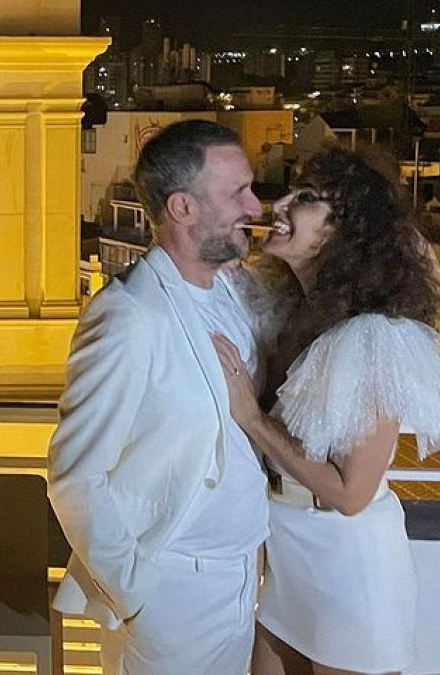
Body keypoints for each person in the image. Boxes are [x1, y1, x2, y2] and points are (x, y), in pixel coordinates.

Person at [212, 145, 440, 675]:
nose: (279, 204)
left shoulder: (370, 336)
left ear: (345, 231)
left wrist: (252, 418)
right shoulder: (293, 313)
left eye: (305, 199)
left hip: (348, 565)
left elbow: (352, 493)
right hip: (285, 552)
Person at [48, 119, 275, 674]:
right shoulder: (128, 316)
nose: (254, 204)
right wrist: (135, 593)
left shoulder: (231, 290)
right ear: (183, 208)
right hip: (174, 589)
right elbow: (75, 475)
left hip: (243, 576)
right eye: (236, 192)